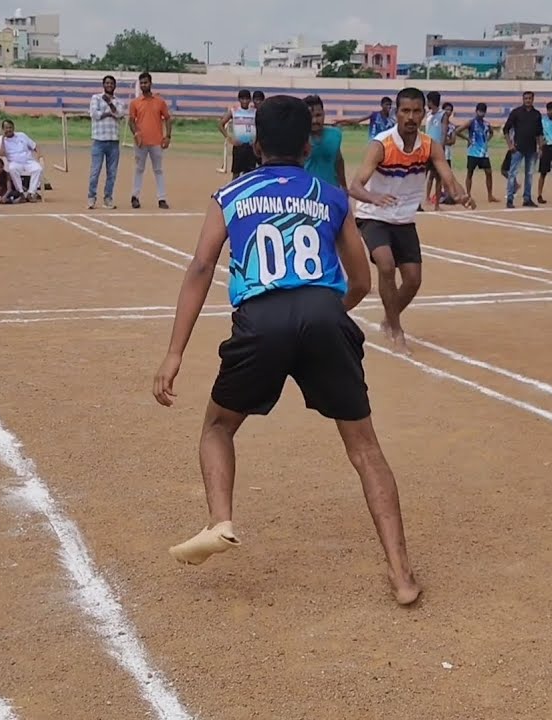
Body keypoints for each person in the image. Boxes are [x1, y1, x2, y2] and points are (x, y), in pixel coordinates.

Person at [151, 95, 421, 607]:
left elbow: (201, 269)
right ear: (307, 143)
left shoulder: (230, 194)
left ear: (255, 143)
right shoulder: (331, 193)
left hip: (261, 321)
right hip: (323, 312)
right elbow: (360, 280)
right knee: (365, 449)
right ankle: (402, 574)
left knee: (217, 427)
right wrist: (325, 312)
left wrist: (174, 354)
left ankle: (220, 520)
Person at [346, 87, 476, 354]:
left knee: (413, 280)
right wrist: (373, 198)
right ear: (396, 112)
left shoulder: (430, 146)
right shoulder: (381, 144)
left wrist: (460, 195)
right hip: (374, 216)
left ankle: (389, 318)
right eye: (405, 110)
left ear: (423, 113)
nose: (411, 117)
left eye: (417, 111)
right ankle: (396, 329)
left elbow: (448, 178)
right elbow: (355, 186)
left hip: (404, 220)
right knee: (385, 264)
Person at [128, 71, 173, 210]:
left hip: (157, 142)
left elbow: (167, 119)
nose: (143, 85)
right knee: (139, 169)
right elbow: (131, 121)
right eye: (141, 83)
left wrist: (168, 136)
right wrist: (136, 134)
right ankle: (135, 197)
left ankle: (162, 198)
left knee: (158, 170)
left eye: (146, 82)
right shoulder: (135, 103)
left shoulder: (160, 101)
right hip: (141, 142)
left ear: (150, 83)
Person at [88, 75, 125, 209]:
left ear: (115, 86)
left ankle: (108, 198)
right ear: (103, 85)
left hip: (113, 141)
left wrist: (109, 104)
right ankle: (91, 197)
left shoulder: (119, 101)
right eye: (107, 83)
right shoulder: (96, 98)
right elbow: (94, 114)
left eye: (111, 83)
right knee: (95, 171)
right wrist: (109, 114)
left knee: (112, 173)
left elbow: (119, 114)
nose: (109, 85)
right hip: (99, 140)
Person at [503, 91, 542, 208]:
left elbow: (539, 133)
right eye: (526, 98)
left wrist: (540, 148)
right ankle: (510, 199)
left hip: (532, 149)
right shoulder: (516, 113)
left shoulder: (537, 114)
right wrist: (510, 145)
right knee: (512, 174)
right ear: (523, 99)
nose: (528, 100)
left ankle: (527, 198)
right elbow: (506, 129)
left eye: (530, 98)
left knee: (529, 174)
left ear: (533, 99)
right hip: (518, 148)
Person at [455, 102, 498, 203]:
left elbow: (491, 132)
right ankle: (468, 195)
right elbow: (457, 131)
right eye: (479, 111)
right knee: (470, 173)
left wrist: (487, 140)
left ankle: (490, 195)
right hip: (472, 152)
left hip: (483, 153)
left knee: (488, 172)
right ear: (476, 111)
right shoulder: (471, 122)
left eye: (483, 112)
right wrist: (467, 139)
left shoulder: (486, 124)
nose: (481, 113)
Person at [302, 95, 345, 187]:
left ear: (324, 113)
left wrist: (344, 186)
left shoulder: (335, 134)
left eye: (318, 115)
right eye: (310, 116)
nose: (314, 120)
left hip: (331, 189)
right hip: (307, 191)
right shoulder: (299, 137)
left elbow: (338, 161)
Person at [0, 119, 44, 201]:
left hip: (28, 161)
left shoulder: (22, 135)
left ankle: (31, 193)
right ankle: (20, 193)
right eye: (6, 128)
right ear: (3, 129)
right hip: (14, 162)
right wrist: (3, 140)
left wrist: (40, 155)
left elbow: (35, 146)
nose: (8, 130)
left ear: (13, 128)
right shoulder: (1, 139)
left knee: (38, 169)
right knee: (12, 169)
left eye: (10, 127)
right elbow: (2, 154)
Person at [221, 89, 258, 179]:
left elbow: (261, 126)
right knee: (236, 172)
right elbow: (220, 124)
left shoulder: (254, 112)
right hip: (239, 146)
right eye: (242, 99)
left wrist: (256, 139)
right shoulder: (234, 111)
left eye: (247, 99)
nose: (245, 101)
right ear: (239, 100)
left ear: (250, 100)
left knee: (249, 173)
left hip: (250, 146)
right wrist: (229, 138)